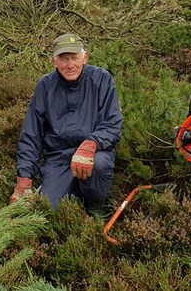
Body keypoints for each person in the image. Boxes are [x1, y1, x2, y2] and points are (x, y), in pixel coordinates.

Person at [12, 34, 123, 217]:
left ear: (85, 57)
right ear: (54, 61)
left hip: (94, 153)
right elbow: (31, 134)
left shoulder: (102, 79)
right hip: (59, 159)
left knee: (100, 164)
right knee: (47, 213)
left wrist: (90, 144)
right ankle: (74, 193)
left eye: (74, 58)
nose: (70, 64)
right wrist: (24, 178)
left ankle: (96, 206)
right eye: (64, 59)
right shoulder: (45, 86)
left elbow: (112, 124)